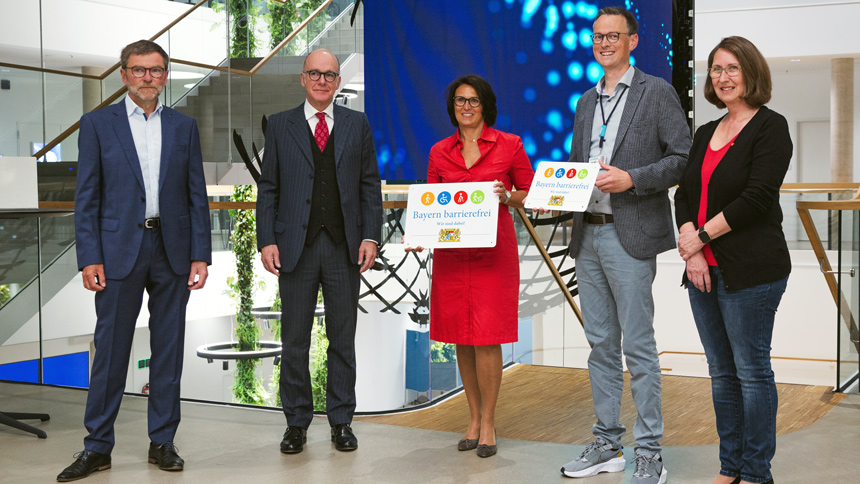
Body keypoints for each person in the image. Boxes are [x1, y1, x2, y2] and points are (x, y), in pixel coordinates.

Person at [59, 40, 211, 481]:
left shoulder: (183, 126)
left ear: (166, 76)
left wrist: (201, 252)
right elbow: (86, 197)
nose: (148, 77)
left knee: (168, 349)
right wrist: (89, 255)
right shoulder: (97, 124)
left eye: (157, 70)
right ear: (124, 74)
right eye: (139, 70)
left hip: (174, 251)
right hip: (116, 252)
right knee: (110, 352)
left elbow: (195, 195)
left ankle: (162, 441)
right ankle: (97, 447)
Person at [558, 7, 690, 483]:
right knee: (599, 347)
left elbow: (682, 158)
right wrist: (554, 190)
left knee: (639, 348)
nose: (604, 43)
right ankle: (608, 444)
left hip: (629, 236)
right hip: (586, 234)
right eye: (598, 36)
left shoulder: (656, 92)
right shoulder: (584, 103)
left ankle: (650, 451)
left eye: (614, 35)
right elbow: (576, 169)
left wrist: (633, 178)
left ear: (633, 41)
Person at [675, 36, 791, 484]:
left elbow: (757, 199)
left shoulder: (770, 127)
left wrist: (700, 238)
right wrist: (694, 246)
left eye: (732, 69)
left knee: (751, 372)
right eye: (716, 69)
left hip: (753, 270)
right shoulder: (706, 131)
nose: (722, 77)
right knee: (722, 373)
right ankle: (731, 467)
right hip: (702, 268)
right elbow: (685, 195)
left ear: (751, 73)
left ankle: (756, 472)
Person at [256, 48, 382, 454]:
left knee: (342, 339)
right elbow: (269, 188)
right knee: (294, 340)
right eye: (315, 73)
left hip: (345, 248)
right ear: (303, 78)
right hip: (296, 247)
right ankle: (296, 424)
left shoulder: (356, 124)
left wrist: (370, 236)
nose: (322, 81)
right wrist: (266, 240)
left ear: (338, 81)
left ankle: (341, 420)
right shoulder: (279, 125)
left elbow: (368, 186)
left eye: (330, 75)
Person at [406, 74, 535, 458]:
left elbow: (528, 193)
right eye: (460, 100)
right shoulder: (438, 151)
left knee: (487, 336)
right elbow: (430, 201)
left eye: (473, 100)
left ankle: (490, 423)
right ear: (453, 107)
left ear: (485, 106)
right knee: (462, 336)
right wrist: (419, 233)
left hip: (493, 256)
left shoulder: (509, 145)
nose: (466, 106)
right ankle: (474, 419)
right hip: (452, 256)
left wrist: (507, 195)